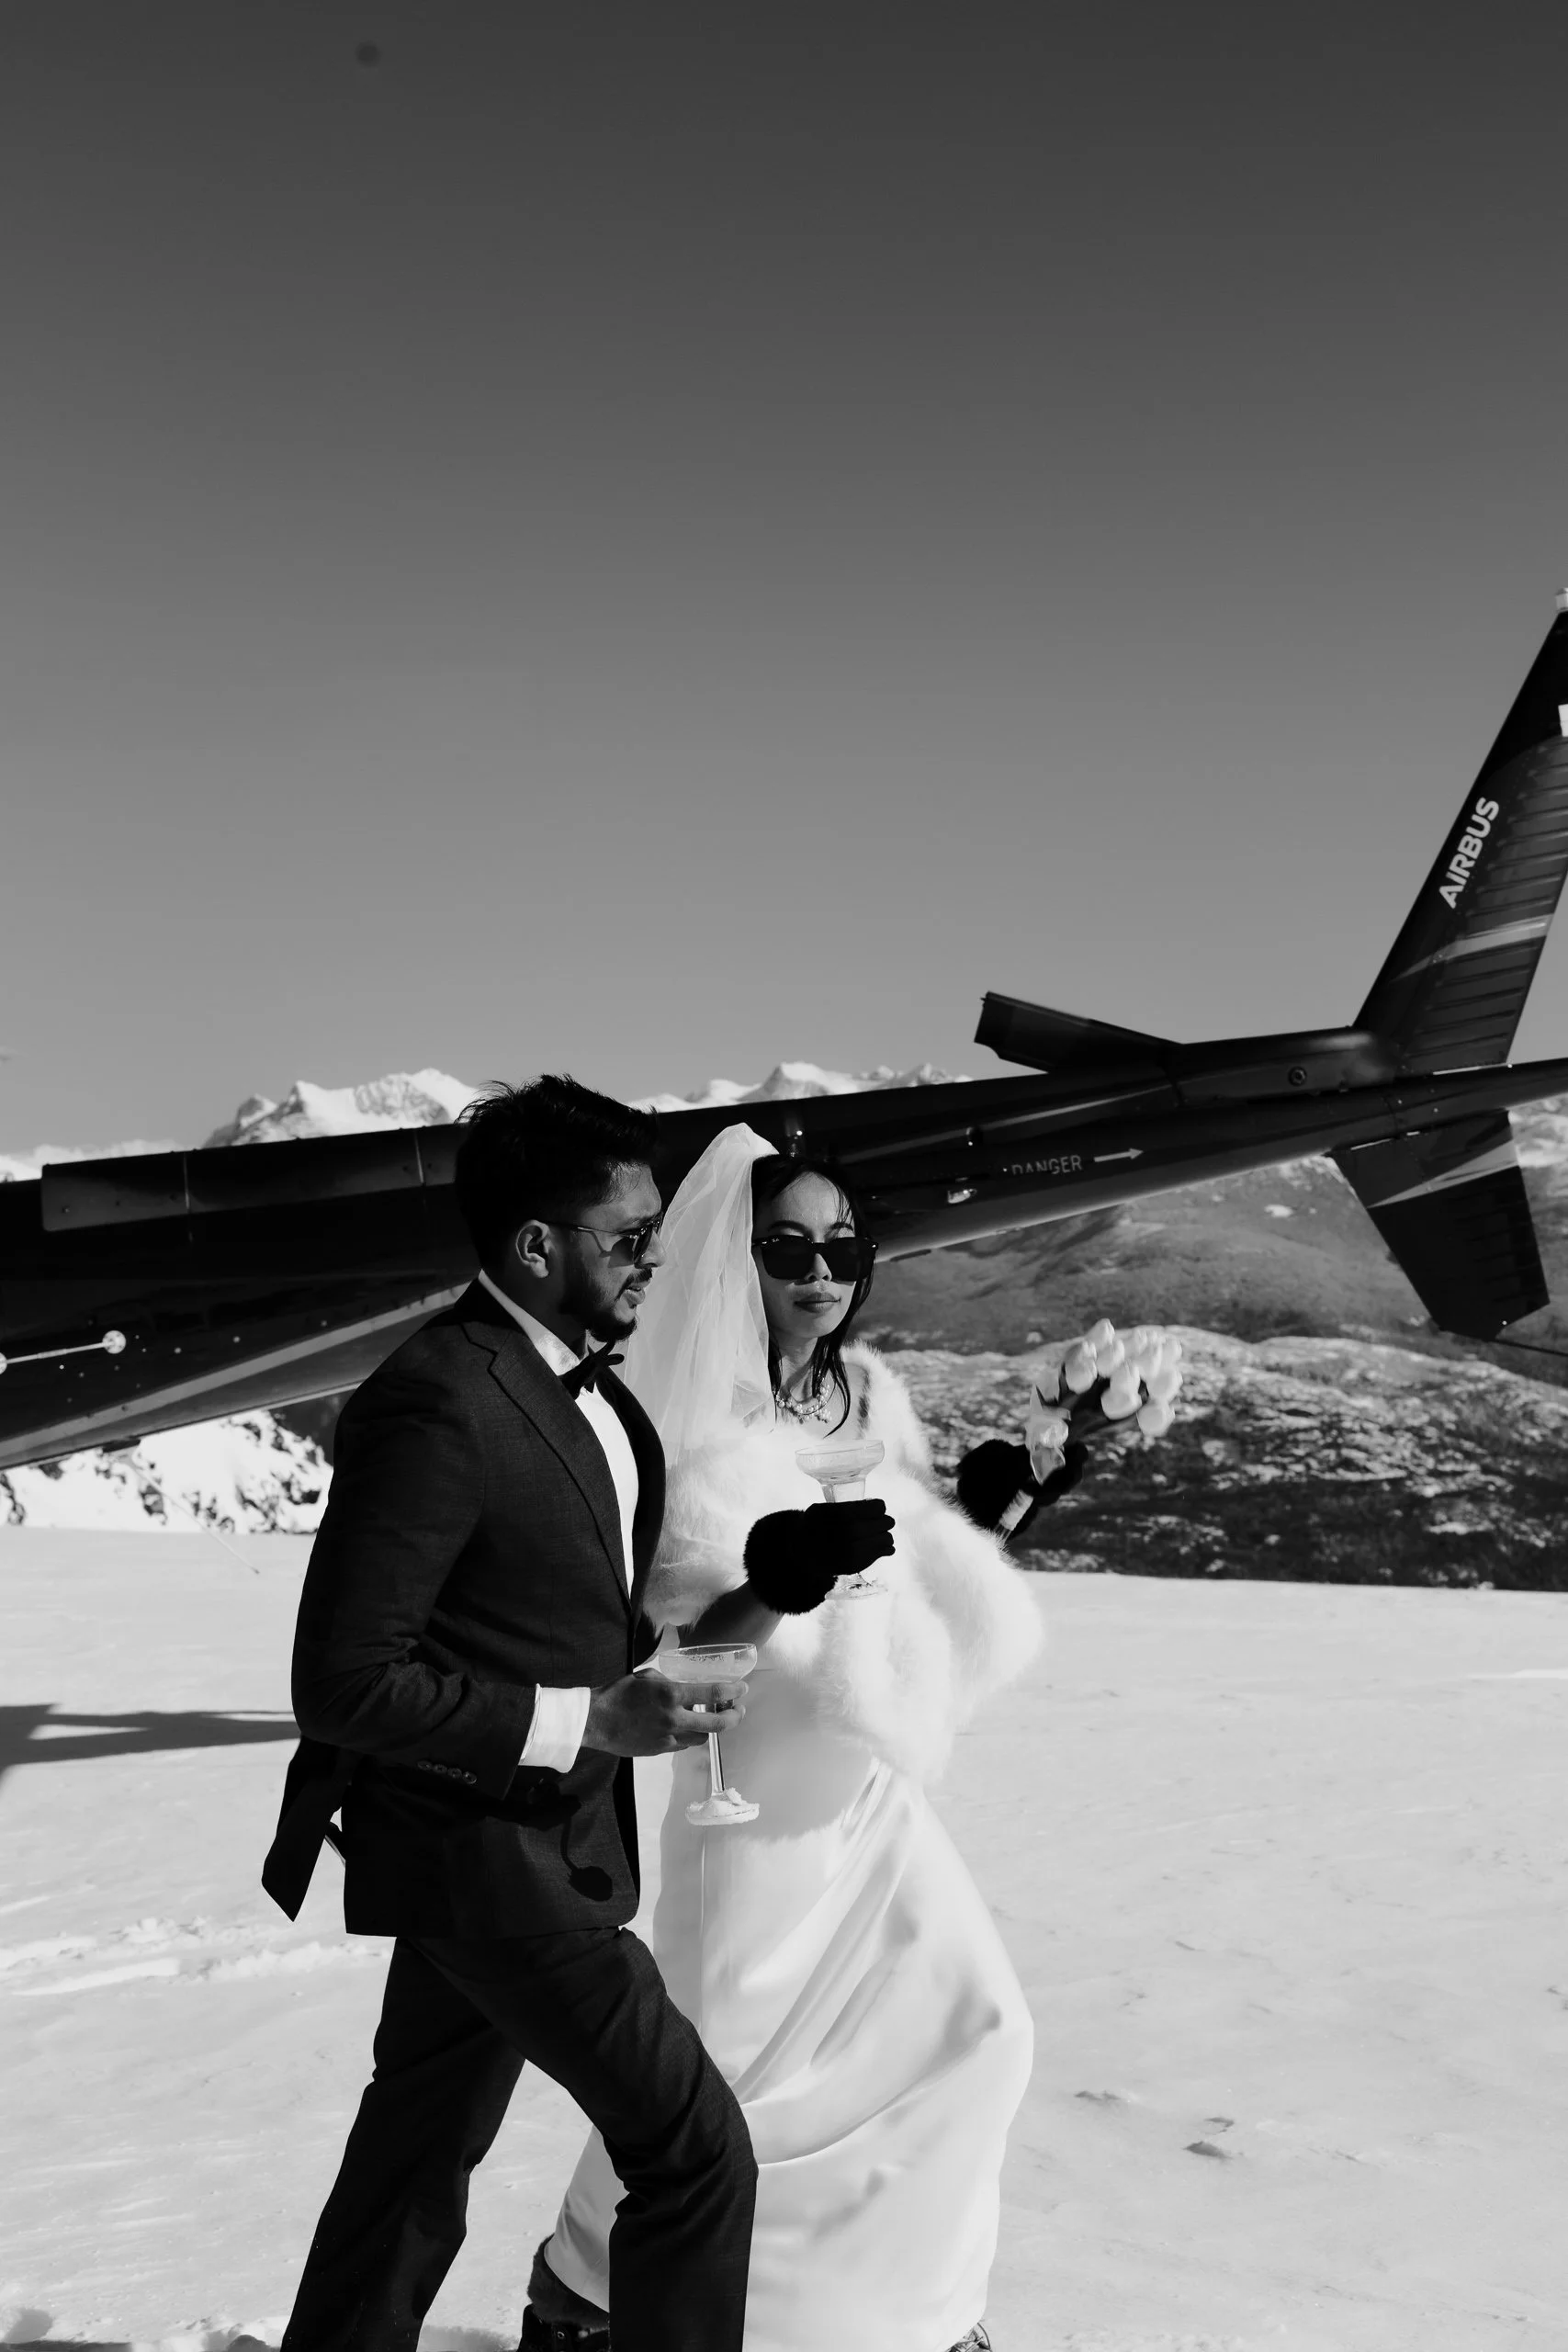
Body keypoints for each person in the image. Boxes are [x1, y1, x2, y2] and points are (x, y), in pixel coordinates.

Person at [261, 1080, 885, 2352]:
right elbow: (342, 1679)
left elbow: (573, 1621)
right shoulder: (437, 1398)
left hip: (523, 1851)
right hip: (489, 1857)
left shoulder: (593, 1398)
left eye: (656, 1231)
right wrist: (585, 1724)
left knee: (413, 2165)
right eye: (627, 1236)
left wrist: (759, 1595)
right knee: (696, 2149)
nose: (658, 1258)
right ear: (535, 1246)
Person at [537, 1125, 1078, 2352]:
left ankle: (910, 2317)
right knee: (732, 2091)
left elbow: (906, 1600)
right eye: (786, 1247)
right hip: (753, 1803)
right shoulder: (670, 1421)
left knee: (981, 2028)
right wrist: (775, 1582)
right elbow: (662, 1665)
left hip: (869, 1788)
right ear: (733, 1260)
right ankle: (589, 2295)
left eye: (842, 1243)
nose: (820, 1270)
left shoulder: (865, 1395)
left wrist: (999, 1515)